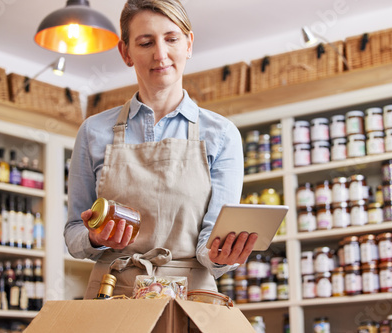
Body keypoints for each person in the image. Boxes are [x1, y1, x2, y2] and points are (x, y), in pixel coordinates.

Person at [64, 0, 257, 298]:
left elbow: (210, 241)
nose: (160, 54)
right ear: (126, 52)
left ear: (189, 44)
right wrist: (94, 236)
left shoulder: (221, 135)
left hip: (190, 295)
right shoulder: (93, 131)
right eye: (145, 42)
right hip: (111, 292)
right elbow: (74, 230)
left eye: (171, 39)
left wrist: (221, 254)